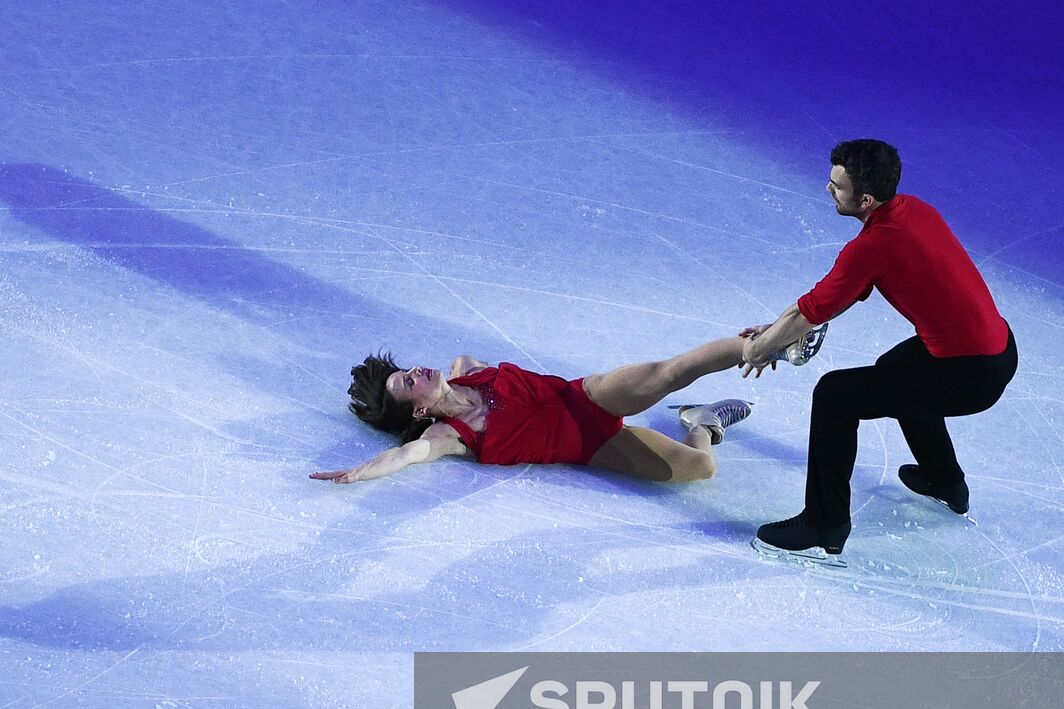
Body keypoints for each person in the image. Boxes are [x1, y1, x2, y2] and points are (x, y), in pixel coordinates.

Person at [743, 139, 1017, 565]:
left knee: (835, 395)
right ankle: (946, 482)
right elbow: (817, 303)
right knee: (897, 370)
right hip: (998, 349)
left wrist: (760, 349)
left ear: (865, 199)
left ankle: (823, 526)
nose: (828, 190)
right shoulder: (913, 210)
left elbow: (810, 313)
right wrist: (773, 331)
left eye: (837, 185)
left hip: (968, 375)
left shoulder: (871, 247)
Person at [309, 329, 823, 486]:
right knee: (700, 467)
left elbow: (465, 367)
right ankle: (704, 420)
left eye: (408, 368)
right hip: (592, 445)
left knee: (669, 372)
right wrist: (358, 473)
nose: (417, 370)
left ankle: (771, 341)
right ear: (418, 413)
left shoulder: (466, 366)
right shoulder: (447, 438)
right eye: (408, 383)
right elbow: (406, 457)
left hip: (589, 396)